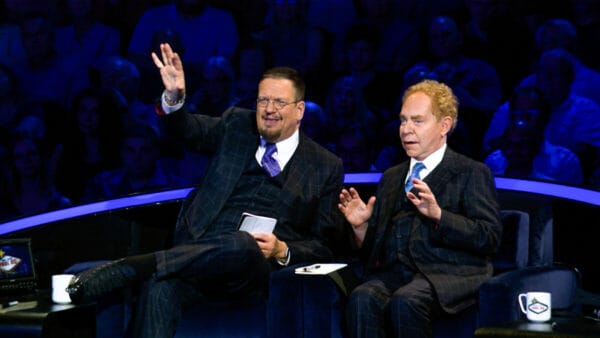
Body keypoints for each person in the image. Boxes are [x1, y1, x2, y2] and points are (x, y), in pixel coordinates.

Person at [66, 43, 346, 337]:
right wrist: (174, 100)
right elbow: (188, 130)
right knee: (160, 288)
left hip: (250, 271)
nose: (269, 109)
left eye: (279, 102)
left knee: (243, 243)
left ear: (299, 110)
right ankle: (149, 270)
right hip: (198, 256)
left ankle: (137, 267)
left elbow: (324, 244)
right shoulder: (237, 125)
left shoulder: (324, 166)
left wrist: (282, 249)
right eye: (263, 100)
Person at [338, 79, 502, 337]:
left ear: (444, 125)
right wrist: (361, 228)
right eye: (403, 121)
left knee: (407, 301)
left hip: (447, 274)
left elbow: (489, 237)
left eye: (417, 121)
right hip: (396, 274)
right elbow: (373, 251)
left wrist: (439, 215)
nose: (406, 130)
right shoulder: (392, 177)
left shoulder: (471, 172)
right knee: (362, 297)